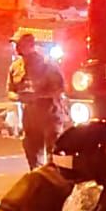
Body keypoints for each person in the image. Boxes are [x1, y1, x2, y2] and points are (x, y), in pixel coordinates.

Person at [7, 32, 68, 169]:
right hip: (30, 118)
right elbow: (10, 91)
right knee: (33, 156)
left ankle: (60, 184)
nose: (16, 48)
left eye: (19, 44)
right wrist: (19, 97)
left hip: (50, 116)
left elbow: (60, 88)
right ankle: (39, 184)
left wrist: (39, 95)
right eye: (15, 44)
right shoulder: (15, 67)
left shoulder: (47, 64)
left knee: (56, 156)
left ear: (30, 45)